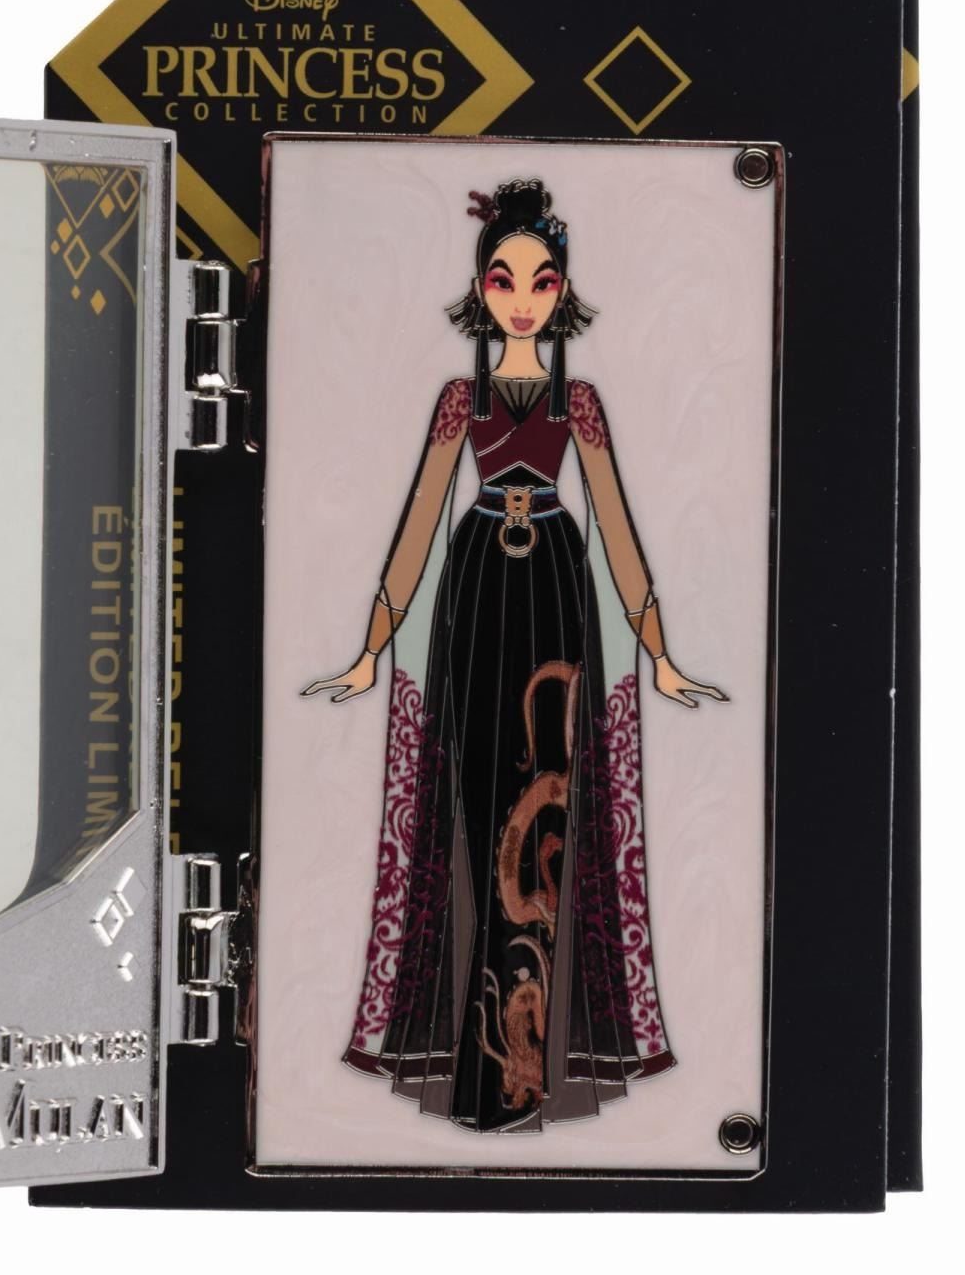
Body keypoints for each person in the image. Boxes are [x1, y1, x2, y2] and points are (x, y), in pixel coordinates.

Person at [304, 178, 726, 1133]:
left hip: (557, 601)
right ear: (480, 289)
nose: (523, 298)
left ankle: (541, 1057)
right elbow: (419, 524)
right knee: (474, 803)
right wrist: (372, 649)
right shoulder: (461, 400)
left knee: (555, 806)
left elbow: (617, 529)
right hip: (477, 595)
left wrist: (657, 654)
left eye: (540, 280)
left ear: (562, 289)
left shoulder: (582, 403)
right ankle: (481, 1058)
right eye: (504, 279)